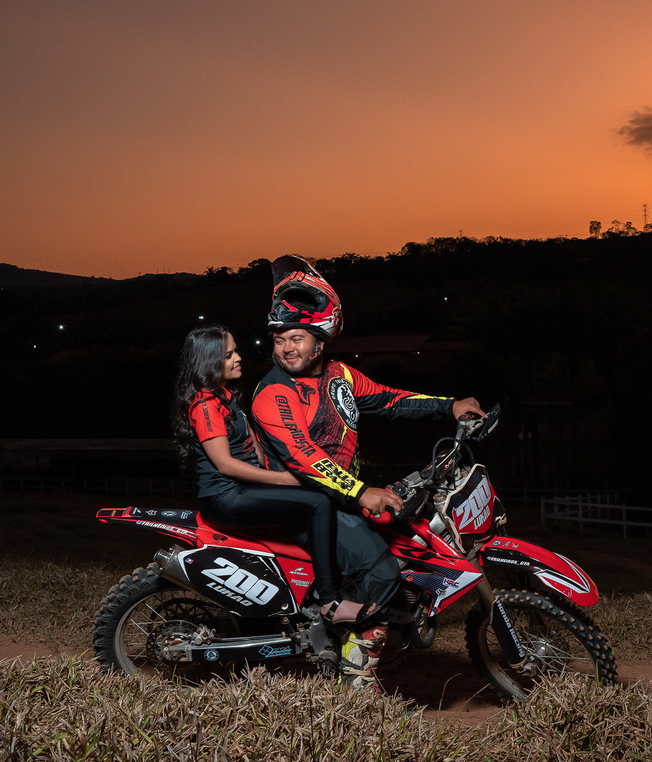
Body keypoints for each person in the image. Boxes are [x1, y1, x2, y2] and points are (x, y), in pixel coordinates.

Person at [249, 255, 484, 691]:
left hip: (342, 499)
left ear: (321, 340)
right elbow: (305, 457)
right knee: (383, 573)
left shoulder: (340, 376)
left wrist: (447, 405)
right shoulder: (274, 393)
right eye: (279, 338)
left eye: (297, 337)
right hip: (306, 505)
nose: (286, 348)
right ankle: (357, 668)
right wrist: (361, 492)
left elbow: (391, 399)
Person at [170, 324, 376, 625]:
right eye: (229, 355)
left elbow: (255, 448)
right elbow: (225, 465)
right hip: (225, 497)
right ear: (209, 362)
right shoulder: (204, 406)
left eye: (236, 351)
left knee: (318, 497)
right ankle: (330, 601)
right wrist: (290, 479)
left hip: (239, 491)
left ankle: (310, 590)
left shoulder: (224, 397)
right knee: (318, 503)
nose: (238, 358)